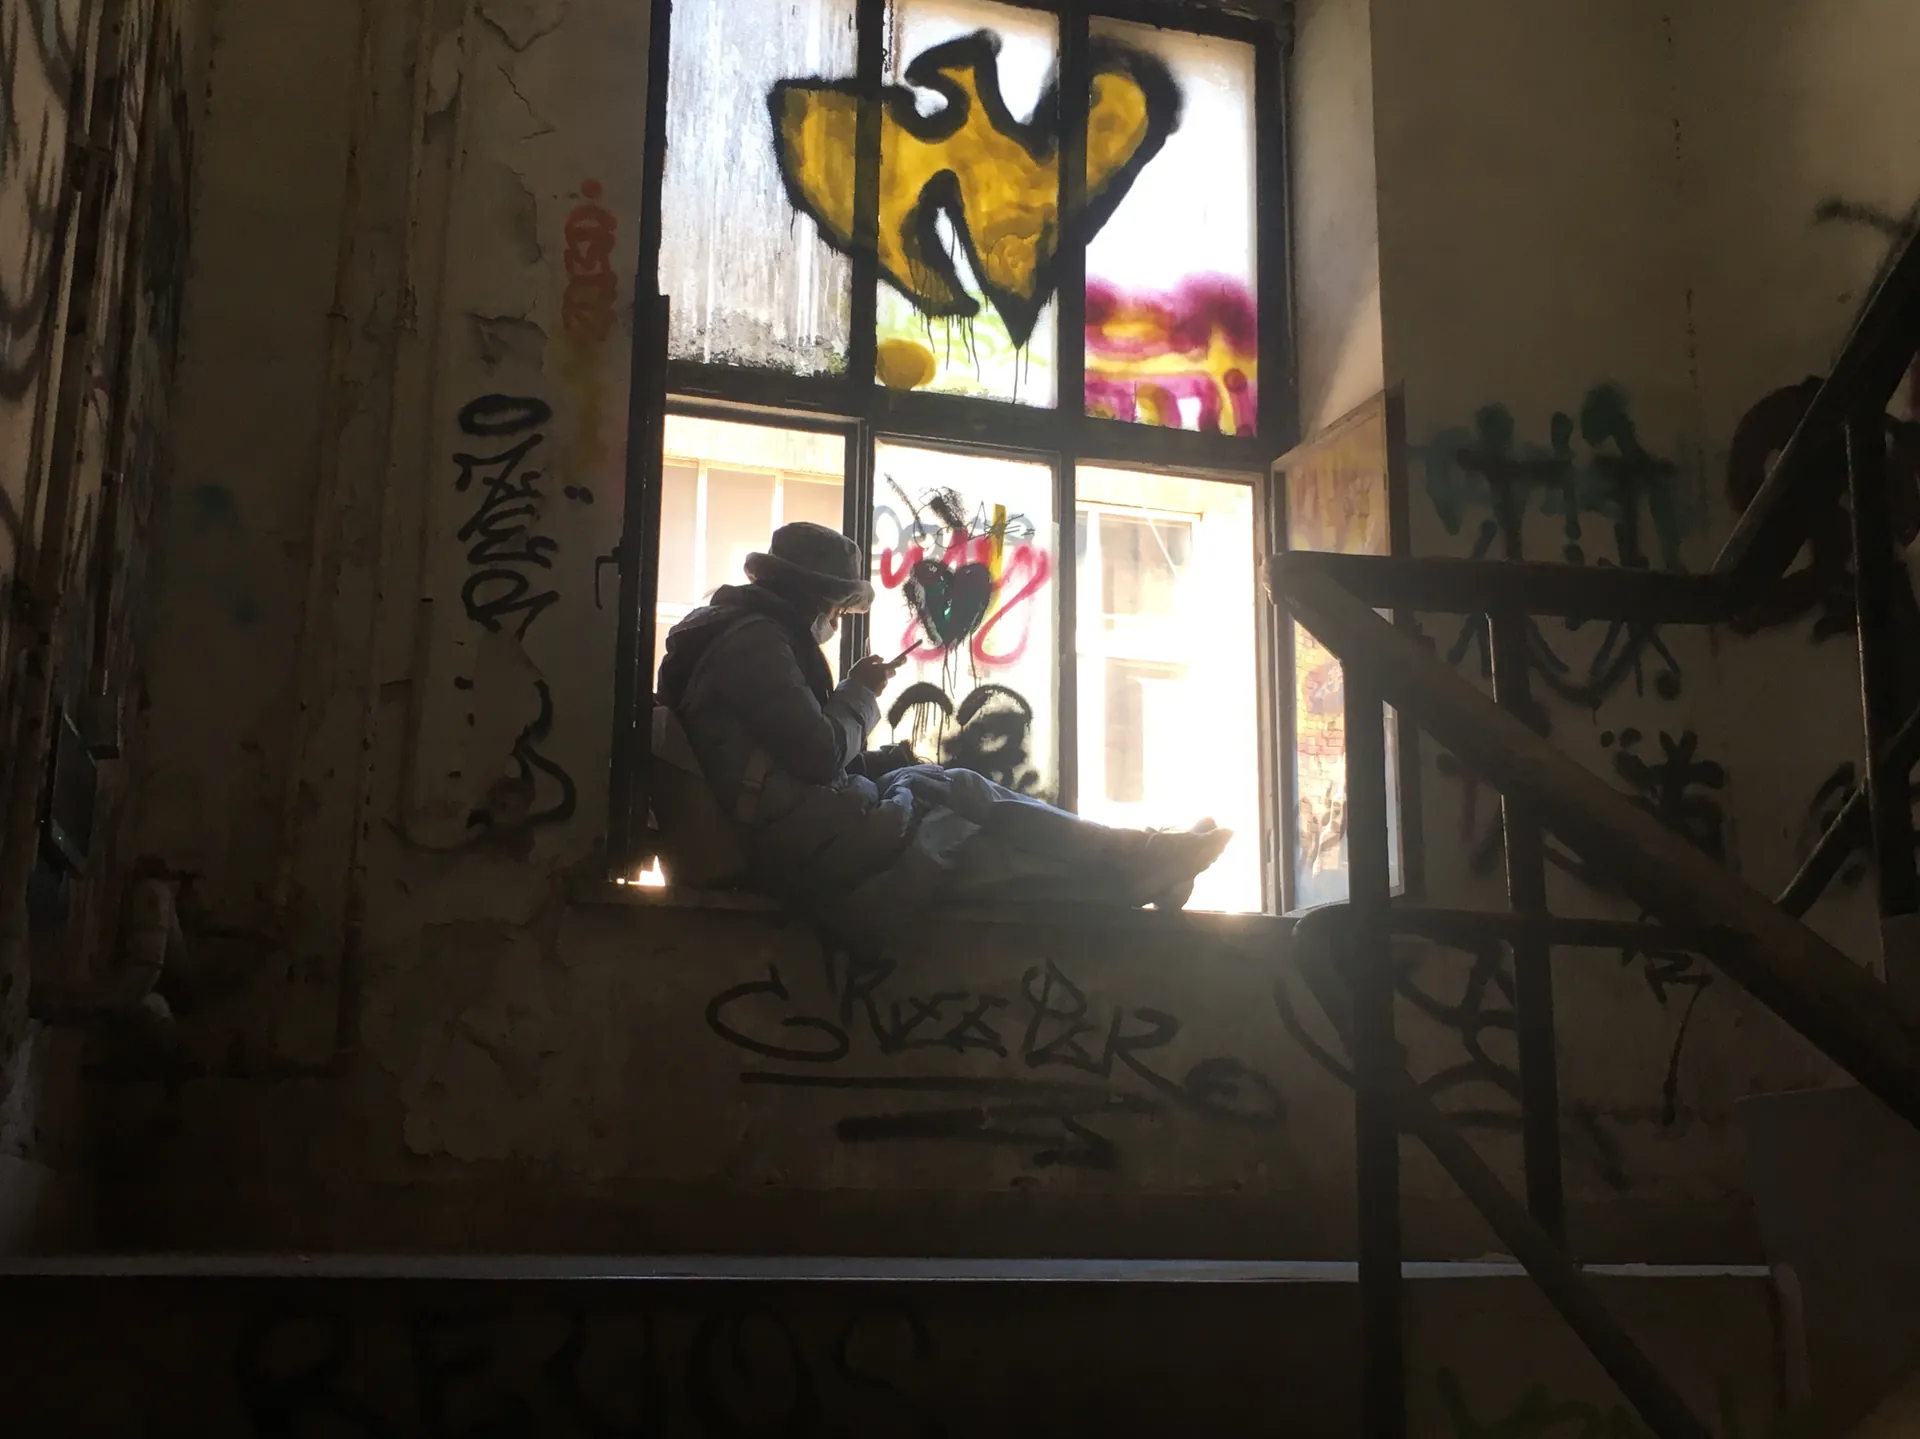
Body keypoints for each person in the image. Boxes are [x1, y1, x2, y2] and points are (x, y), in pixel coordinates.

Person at [655, 521, 1232, 938]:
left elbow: (783, 757)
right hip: (802, 844)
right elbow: (817, 752)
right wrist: (860, 692)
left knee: (955, 799)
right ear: (816, 598)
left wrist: (878, 756)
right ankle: (1141, 860)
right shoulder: (756, 643)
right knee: (964, 801)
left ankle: (1142, 861)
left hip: (801, 828)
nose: (834, 623)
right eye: (836, 611)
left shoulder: (745, 637)